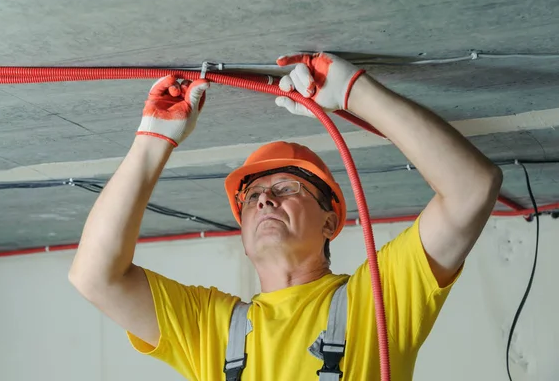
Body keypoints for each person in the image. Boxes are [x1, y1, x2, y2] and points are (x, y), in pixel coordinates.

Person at [69, 52, 502, 380]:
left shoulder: (378, 302)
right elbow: (94, 276)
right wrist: (151, 142)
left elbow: (472, 188)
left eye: (286, 189)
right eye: (253, 195)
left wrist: (356, 93)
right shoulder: (210, 328)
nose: (263, 201)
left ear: (331, 221)